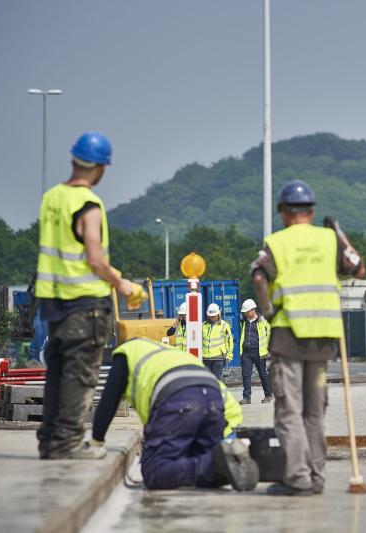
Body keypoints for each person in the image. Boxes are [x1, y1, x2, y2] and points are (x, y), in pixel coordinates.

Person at [252, 179, 365, 496]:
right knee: (315, 413)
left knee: (290, 411)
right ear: (312, 211)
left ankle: (298, 479)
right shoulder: (329, 239)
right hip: (323, 338)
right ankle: (316, 477)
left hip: (288, 337)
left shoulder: (277, 242)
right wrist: (340, 234)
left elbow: (259, 276)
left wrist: (270, 312)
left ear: (283, 212)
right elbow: (357, 268)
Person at [34, 131, 137, 460]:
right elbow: (94, 257)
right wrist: (122, 285)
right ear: (101, 168)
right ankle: (67, 444)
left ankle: (50, 440)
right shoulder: (88, 204)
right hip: (86, 304)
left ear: (73, 160)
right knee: (79, 374)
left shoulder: (51, 198)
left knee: (58, 372)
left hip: (55, 303)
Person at [89, 338, 259, 491]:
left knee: (155, 470)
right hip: (214, 399)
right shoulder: (168, 354)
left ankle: (214, 466)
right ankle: (225, 465)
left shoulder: (125, 352)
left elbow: (108, 400)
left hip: (179, 399)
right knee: (202, 458)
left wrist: (96, 441)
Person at [238, 298, 272, 405]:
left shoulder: (263, 321)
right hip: (246, 353)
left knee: (263, 374)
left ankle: (268, 395)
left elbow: (270, 335)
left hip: (259, 352)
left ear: (253, 310)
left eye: (248, 311)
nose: (246, 314)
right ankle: (246, 398)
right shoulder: (243, 321)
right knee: (246, 375)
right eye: (245, 312)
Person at [202, 303, 233, 378]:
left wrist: (229, 355)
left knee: (216, 380)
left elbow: (229, 341)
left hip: (218, 358)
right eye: (211, 316)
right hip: (205, 358)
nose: (212, 317)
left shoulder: (224, 325)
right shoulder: (203, 325)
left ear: (218, 314)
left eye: (214, 316)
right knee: (207, 380)